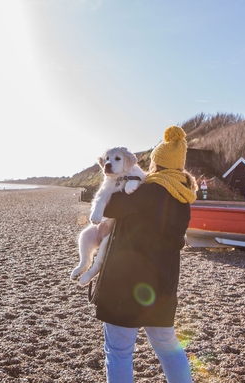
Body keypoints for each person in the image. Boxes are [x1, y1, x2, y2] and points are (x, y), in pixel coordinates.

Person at [96, 126, 198, 383]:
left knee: (119, 351)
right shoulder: (184, 199)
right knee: (168, 347)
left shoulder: (148, 190)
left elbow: (112, 206)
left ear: (156, 164)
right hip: (162, 288)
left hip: (126, 285)